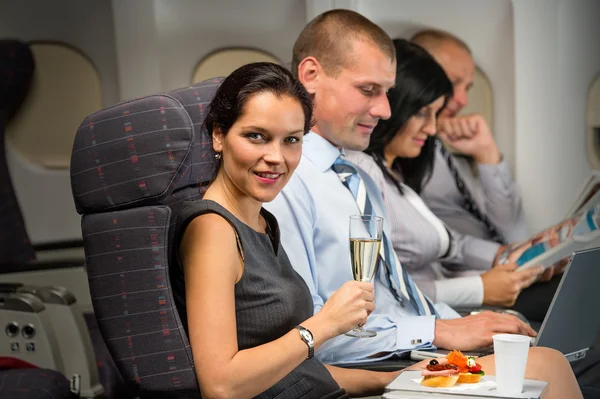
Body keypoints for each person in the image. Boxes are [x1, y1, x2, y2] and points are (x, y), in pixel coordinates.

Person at [169, 57, 582, 399]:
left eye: (291, 140)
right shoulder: (212, 230)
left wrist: (399, 377)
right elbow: (221, 384)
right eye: (257, 137)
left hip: (335, 387)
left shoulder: (261, 219)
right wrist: (325, 325)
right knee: (543, 365)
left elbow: (305, 370)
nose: (276, 157)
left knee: (544, 362)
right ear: (219, 136)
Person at [263, 14, 584, 398]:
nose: (384, 109)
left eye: (387, 92)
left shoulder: (356, 176)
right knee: (547, 365)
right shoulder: (286, 180)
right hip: (368, 362)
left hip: (404, 343)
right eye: (368, 90)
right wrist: (439, 330)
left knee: (556, 350)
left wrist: (462, 324)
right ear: (311, 75)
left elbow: (399, 293)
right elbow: (310, 334)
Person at [345, 39, 544, 309]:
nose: (431, 129)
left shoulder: (402, 169)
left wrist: (509, 257)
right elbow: (383, 286)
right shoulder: (366, 170)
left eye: (436, 114)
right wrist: (480, 288)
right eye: (423, 113)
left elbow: (455, 245)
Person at [410, 29, 529, 245]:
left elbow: (512, 229)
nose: (463, 100)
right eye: (453, 83)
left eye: (467, 88)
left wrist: (486, 153)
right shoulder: (406, 152)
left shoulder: (445, 152)